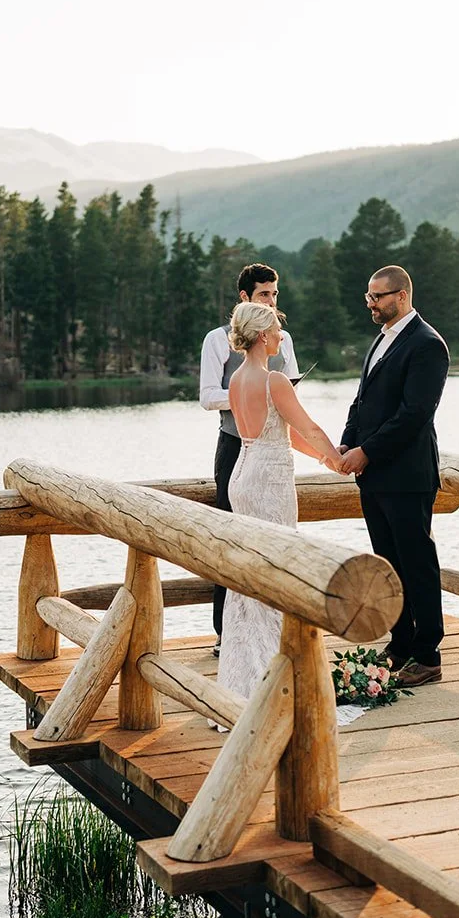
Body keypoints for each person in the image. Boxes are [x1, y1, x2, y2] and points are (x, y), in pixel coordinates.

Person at [216, 301, 345, 703]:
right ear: (260, 336)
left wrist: (326, 458)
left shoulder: (237, 379)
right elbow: (308, 426)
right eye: (274, 330)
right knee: (279, 565)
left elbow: (287, 437)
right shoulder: (276, 382)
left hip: (244, 470)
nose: (279, 335)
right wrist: (341, 459)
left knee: (250, 572)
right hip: (269, 480)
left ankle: (246, 673)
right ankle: (276, 674)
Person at [338, 266, 450, 687]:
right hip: (375, 476)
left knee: (418, 564)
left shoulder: (427, 345)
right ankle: (400, 642)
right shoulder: (383, 339)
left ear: (401, 296)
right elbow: (363, 399)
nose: (370, 303)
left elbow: (414, 415)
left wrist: (369, 451)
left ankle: (428, 653)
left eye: (377, 297)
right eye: (368, 296)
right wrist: (349, 441)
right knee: (389, 564)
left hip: (407, 475)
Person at [198, 263, 298, 656]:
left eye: (274, 294)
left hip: (274, 450)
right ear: (244, 298)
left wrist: (276, 392)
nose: (272, 302)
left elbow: (288, 384)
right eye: (264, 296)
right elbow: (207, 395)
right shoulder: (216, 340)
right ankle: (227, 632)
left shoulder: (282, 338)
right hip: (233, 446)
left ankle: (275, 624)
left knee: (278, 537)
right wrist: (251, 394)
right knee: (230, 535)